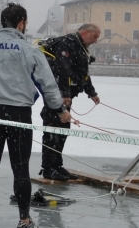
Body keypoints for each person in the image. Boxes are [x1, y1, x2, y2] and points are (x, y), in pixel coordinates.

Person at [0, 3, 71, 228]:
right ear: (21, 23)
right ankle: (24, 221)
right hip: (20, 115)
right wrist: (61, 111)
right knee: (20, 168)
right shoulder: (30, 50)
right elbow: (48, 85)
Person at [38, 23, 101, 181]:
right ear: (86, 33)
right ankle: (48, 168)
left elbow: (82, 73)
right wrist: (65, 93)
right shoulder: (66, 43)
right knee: (53, 130)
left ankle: (57, 166)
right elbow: (61, 69)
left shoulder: (80, 47)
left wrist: (91, 92)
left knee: (63, 129)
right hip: (56, 95)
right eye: (95, 37)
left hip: (65, 97)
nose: (96, 41)